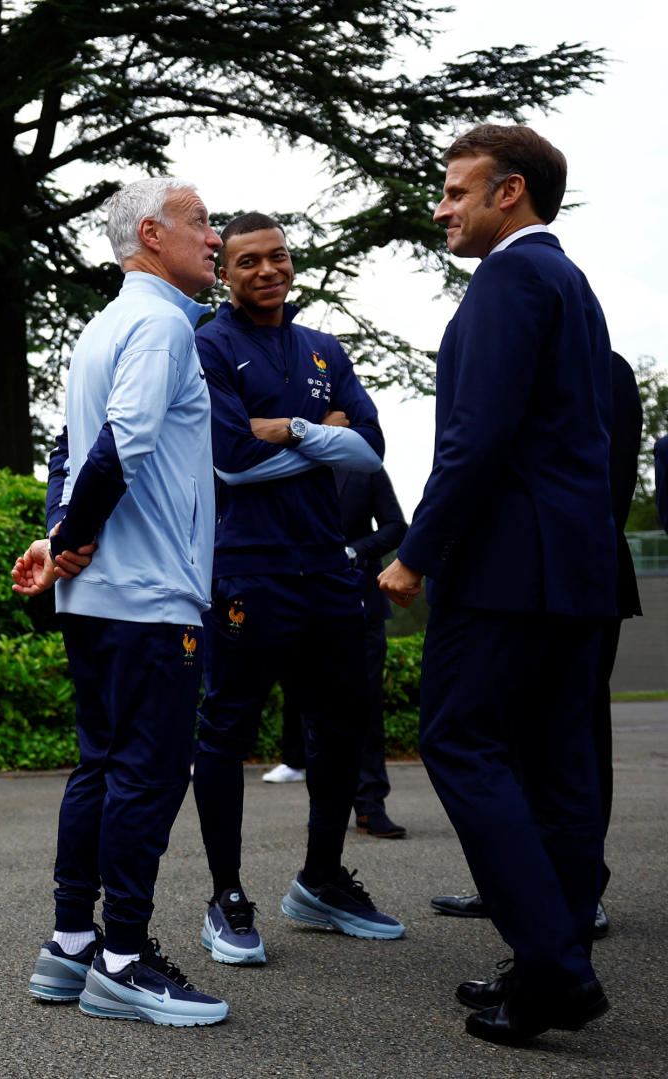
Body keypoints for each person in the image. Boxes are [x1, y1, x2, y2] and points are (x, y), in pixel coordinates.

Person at [379, 124, 616, 1045]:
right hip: (574, 569)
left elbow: (475, 442)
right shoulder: (570, 282)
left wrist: (416, 552)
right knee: (557, 771)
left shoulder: (512, 280)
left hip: (508, 572)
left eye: (455, 191)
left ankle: (555, 968)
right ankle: (551, 960)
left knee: (460, 744)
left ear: (508, 192)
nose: (441, 207)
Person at [12, 178, 229, 1027]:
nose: (214, 237)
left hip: (100, 596)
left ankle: (70, 945)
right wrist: (69, 537)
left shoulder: (100, 327)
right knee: (144, 772)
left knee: (99, 765)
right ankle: (126, 959)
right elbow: (123, 441)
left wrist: (58, 535)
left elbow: (69, 448)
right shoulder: (163, 323)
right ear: (152, 232)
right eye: (202, 222)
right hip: (149, 594)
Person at [193, 212, 405, 966]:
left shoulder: (324, 346)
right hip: (249, 566)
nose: (267, 271)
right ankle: (226, 896)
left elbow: (371, 448)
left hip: (327, 568)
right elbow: (231, 460)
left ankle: (320, 881)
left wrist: (288, 430)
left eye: (277, 256)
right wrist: (322, 431)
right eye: (247, 261)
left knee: (341, 727)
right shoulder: (209, 344)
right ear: (224, 272)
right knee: (227, 731)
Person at [430, 351, 643, 938]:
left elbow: (612, 480)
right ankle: (520, 882)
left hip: (576, 573)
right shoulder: (511, 366)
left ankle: (581, 888)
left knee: (574, 740)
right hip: (509, 578)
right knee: (507, 739)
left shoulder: (604, 368)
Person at [263, 467, 409, 840]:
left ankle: (371, 805)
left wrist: (354, 550)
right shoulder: (283, 461)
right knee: (312, 712)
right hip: (296, 599)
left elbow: (395, 526)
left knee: (367, 709)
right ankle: (326, 810)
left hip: (359, 601)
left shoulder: (365, 466)